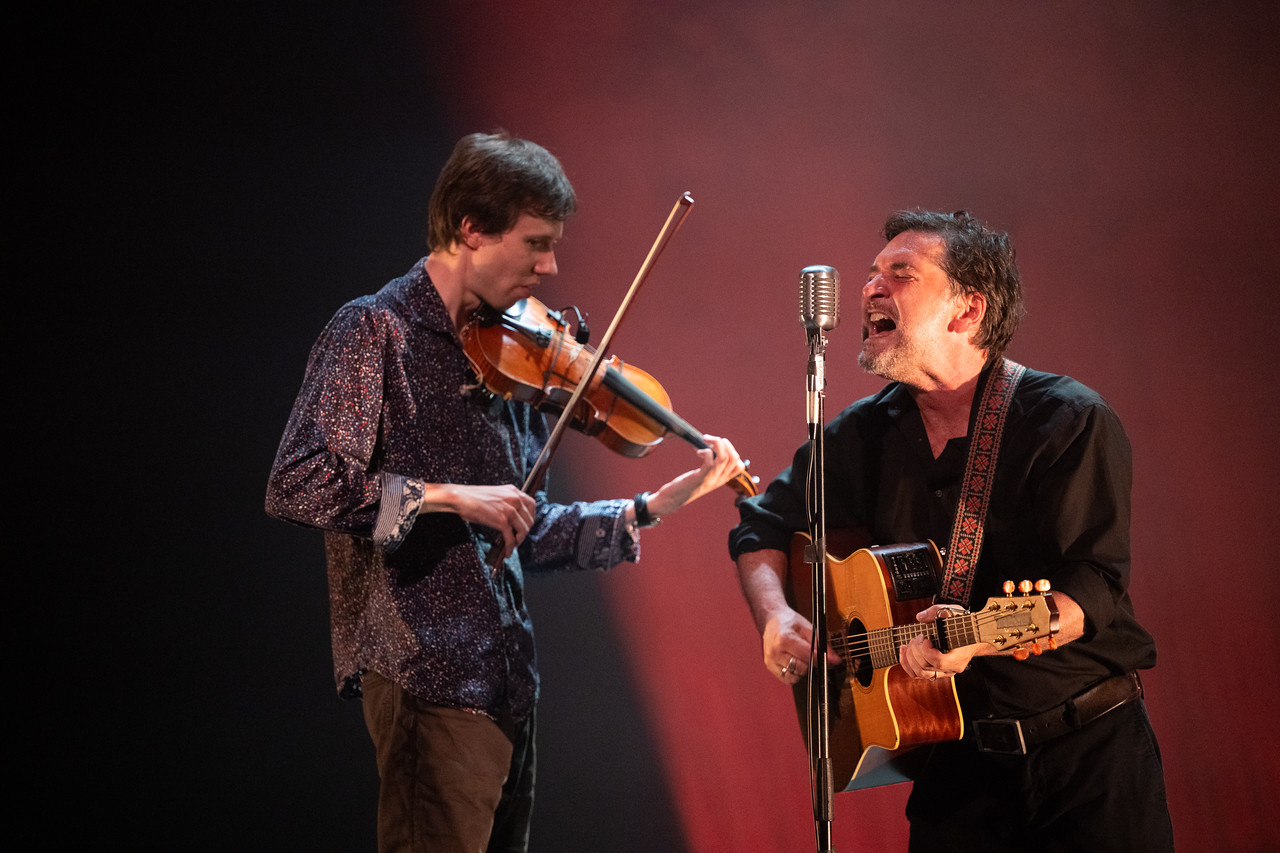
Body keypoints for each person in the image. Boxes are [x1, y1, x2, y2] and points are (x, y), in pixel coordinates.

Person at [266, 131, 746, 853]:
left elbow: (526, 523)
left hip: (507, 681)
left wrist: (651, 506)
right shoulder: (375, 331)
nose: (550, 267)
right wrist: (451, 496)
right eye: (535, 244)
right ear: (471, 228)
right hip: (422, 671)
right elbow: (298, 479)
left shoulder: (512, 356)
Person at [729, 210, 1173, 851]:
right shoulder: (862, 433)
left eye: (900, 274)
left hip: (1087, 759)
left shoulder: (1066, 420)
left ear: (967, 311)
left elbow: (1095, 586)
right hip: (954, 769)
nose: (870, 288)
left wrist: (979, 641)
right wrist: (775, 615)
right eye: (871, 274)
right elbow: (762, 525)